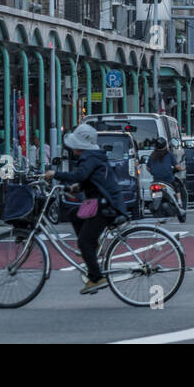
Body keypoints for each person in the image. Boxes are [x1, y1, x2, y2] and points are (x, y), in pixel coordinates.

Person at [44, 123, 128, 294]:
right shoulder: (94, 156)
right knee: (73, 214)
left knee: (83, 241)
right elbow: (89, 179)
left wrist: (56, 174)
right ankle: (93, 246)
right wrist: (74, 187)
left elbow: (81, 175)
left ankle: (96, 277)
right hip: (102, 203)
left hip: (105, 206)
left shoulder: (89, 157)